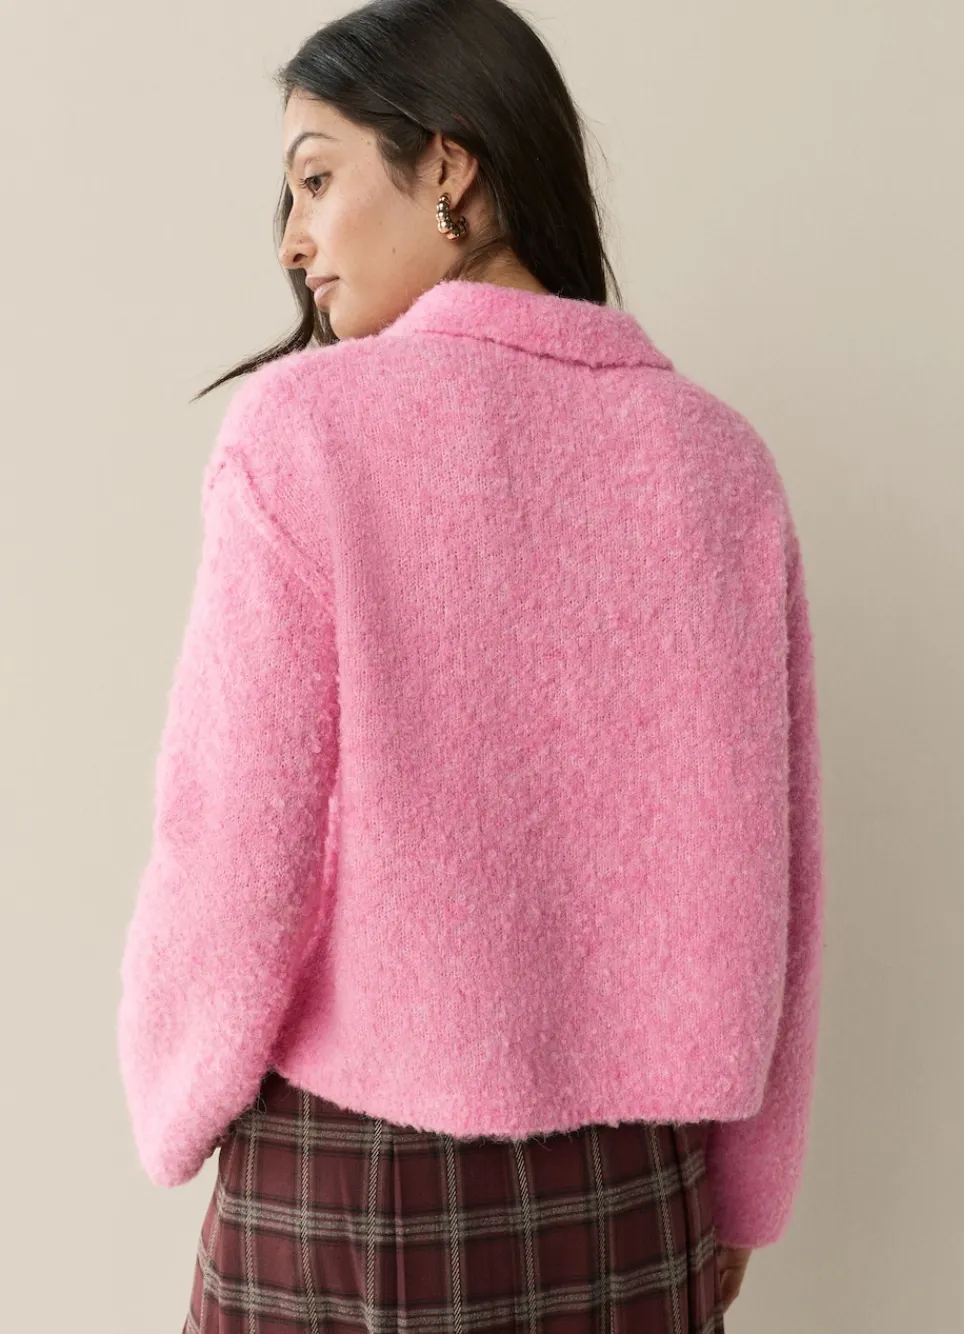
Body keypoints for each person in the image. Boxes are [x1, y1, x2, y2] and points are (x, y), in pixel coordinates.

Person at [116, 0, 826, 1330]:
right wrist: (745, 1192)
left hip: (352, 1178)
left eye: (316, 177)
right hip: (638, 1188)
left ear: (449, 163)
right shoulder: (719, 463)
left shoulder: (303, 432)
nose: (292, 238)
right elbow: (782, 869)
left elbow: (232, 831)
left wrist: (178, 1095)